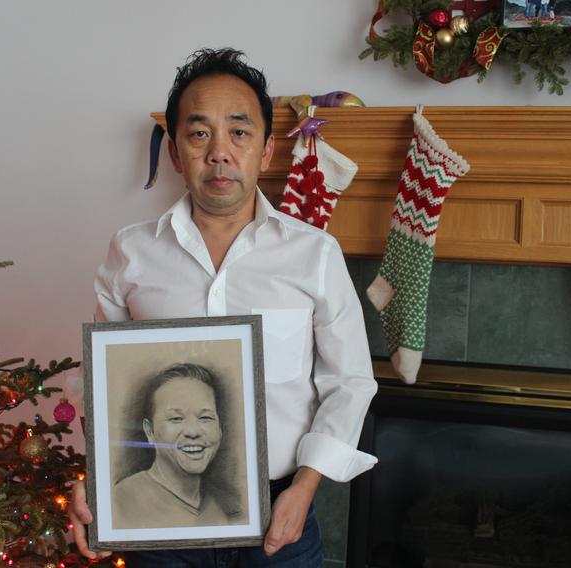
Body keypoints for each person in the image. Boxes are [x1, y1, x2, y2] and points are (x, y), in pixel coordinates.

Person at [68, 48, 377, 567]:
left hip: (281, 519)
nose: (219, 152)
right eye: (198, 133)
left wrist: (305, 489)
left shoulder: (314, 254)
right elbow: (101, 381)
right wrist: (97, 479)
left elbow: (350, 382)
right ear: (174, 153)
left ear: (267, 150)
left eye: (239, 131)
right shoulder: (130, 251)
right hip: (159, 529)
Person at [112, 363, 236, 529]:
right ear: (150, 431)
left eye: (205, 417)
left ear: (220, 428)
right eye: (176, 419)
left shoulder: (225, 508)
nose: (193, 431)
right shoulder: (121, 502)